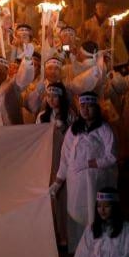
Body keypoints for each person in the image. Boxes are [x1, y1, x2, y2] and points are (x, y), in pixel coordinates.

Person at [49, 92, 118, 251]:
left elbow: (111, 155)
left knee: (96, 214)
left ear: (96, 108)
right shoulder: (73, 130)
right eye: (82, 106)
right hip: (76, 185)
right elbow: (65, 158)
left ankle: (100, 250)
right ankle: (79, 250)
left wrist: (89, 163)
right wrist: (58, 183)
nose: (85, 110)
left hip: (96, 183)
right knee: (77, 215)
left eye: (89, 106)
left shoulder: (104, 128)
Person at [37, 82, 75, 247]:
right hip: (48, 161)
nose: (51, 100)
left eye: (55, 96)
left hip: (65, 161)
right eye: (49, 96)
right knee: (50, 199)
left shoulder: (70, 116)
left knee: (65, 199)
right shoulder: (42, 117)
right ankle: (52, 235)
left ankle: (65, 236)